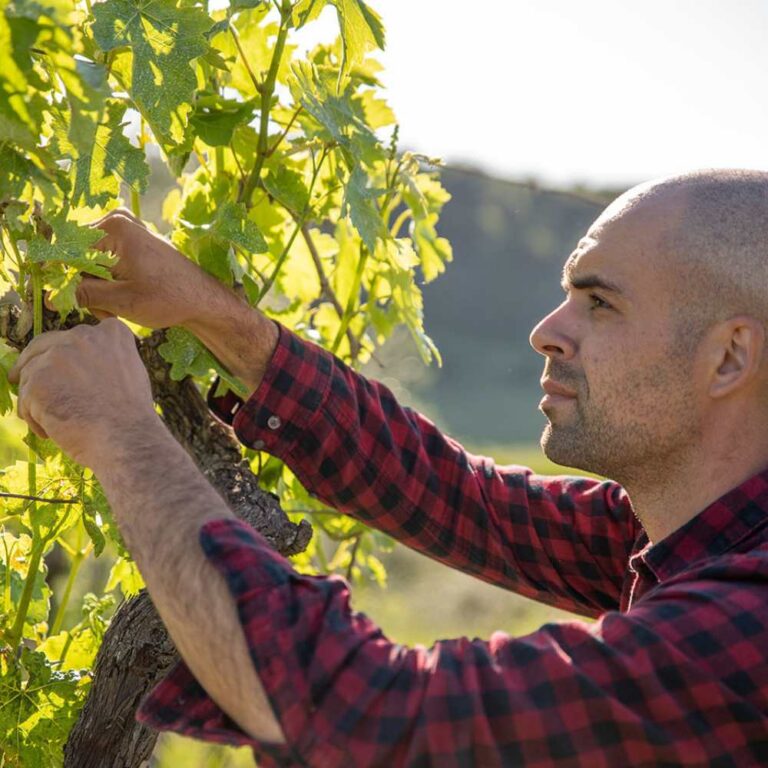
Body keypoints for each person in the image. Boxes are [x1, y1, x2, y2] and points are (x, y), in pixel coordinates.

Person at [9, 168, 768, 767]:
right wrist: (214, 316)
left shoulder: (744, 630)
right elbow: (461, 497)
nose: (546, 332)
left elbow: (373, 719)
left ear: (729, 356)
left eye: (599, 305)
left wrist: (121, 432)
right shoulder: (697, 531)